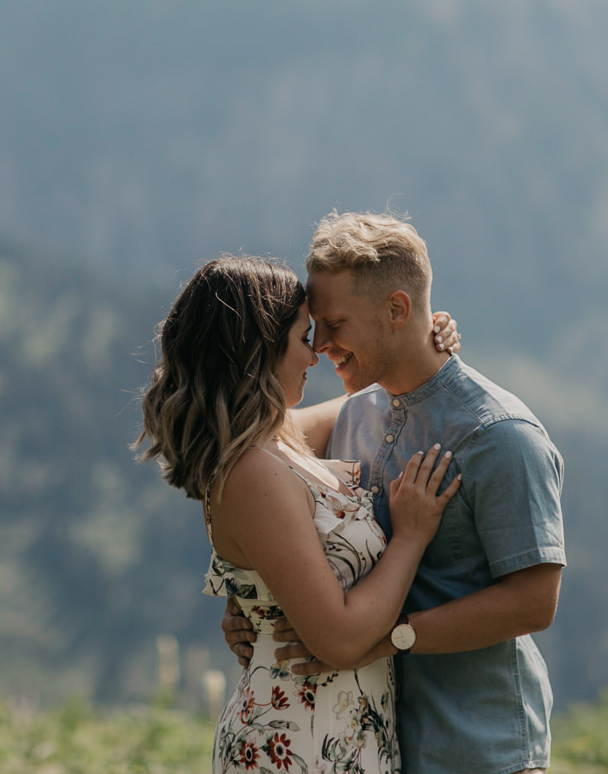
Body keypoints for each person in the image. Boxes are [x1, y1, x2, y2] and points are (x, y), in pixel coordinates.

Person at [223, 211, 566, 774]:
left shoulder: (501, 437)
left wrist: (387, 638)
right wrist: (253, 606)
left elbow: (534, 602)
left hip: (481, 751)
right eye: (315, 329)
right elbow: (254, 469)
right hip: (378, 749)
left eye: (335, 323)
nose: (320, 346)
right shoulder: (354, 413)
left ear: (398, 310)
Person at [134, 255, 463, 774]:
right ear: (257, 351)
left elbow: (369, 395)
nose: (316, 356)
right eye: (303, 338)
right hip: (297, 745)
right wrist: (411, 537)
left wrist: (423, 339)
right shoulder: (253, 470)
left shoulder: (277, 439)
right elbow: (340, 639)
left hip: (331, 735)